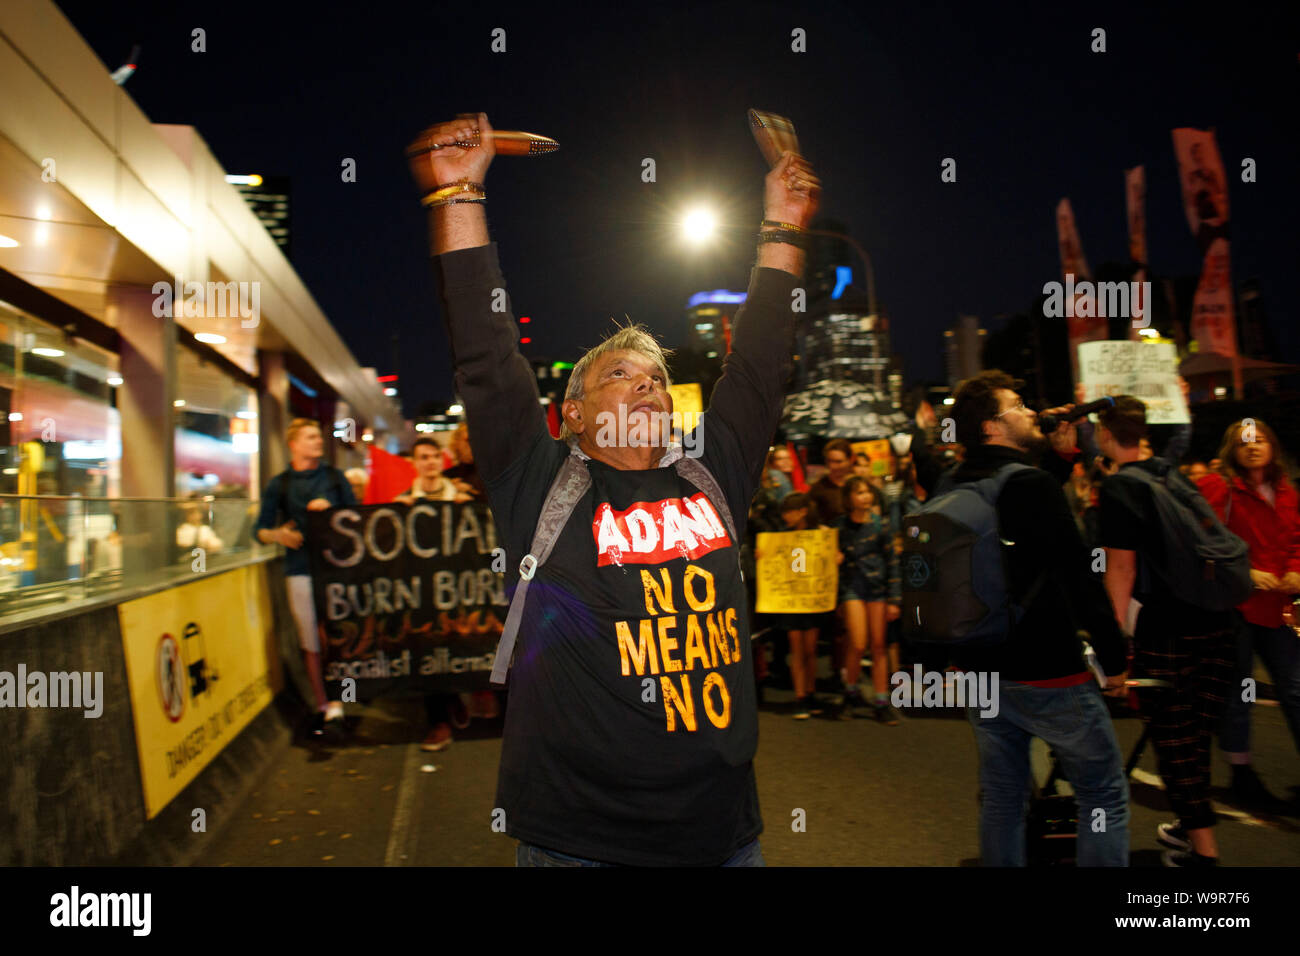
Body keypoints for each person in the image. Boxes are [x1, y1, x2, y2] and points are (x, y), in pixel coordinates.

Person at [414, 110, 819, 866]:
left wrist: (784, 223)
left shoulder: (714, 472)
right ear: (571, 415)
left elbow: (762, 361)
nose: (648, 386)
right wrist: (456, 198)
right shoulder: (540, 484)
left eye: (658, 378)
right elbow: (484, 351)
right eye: (620, 376)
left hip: (723, 834)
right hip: (582, 841)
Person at [948, 371, 1130, 867]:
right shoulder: (1028, 485)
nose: (1031, 411)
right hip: (1048, 669)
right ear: (992, 426)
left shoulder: (955, 483)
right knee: (1102, 791)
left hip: (980, 670)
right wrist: (1115, 659)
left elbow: (1014, 513)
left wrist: (1056, 455)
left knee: (1004, 798)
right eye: (1018, 405)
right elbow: (1078, 576)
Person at [1096, 396, 1234, 866]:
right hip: (1218, 620)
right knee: (1195, 739)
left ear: (1105, 435)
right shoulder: (1170, 472)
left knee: (1173, 743)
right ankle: (1187, 826)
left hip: (1168, 628)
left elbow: (1120, 569)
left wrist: (1111, 641)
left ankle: (1205, 854)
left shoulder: (1118, 489)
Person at [1197, 418, 1300, 809]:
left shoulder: (1287, 490)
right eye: (1244, 442)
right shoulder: (1218, 487)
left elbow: (1297, 538)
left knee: (1295, 690)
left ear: (1272, 446)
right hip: (1235, 609)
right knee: (1239, 695)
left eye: (1259, 440)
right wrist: (1246, 572)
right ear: (1232, 450)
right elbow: (1201, 540)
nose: (1253, 446)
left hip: (1280, 610)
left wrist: (1296, 568)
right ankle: (1242, 774)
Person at [255, 418, 358, 735]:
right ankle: (323, 705)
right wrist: (278, 536)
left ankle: (341, 701)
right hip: (299, 569)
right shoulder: (280, 484)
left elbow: (358, 518)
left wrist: (330, 514)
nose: (317, 441)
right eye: (310, 437)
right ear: (293, 444)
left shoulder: (334, 477)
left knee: (335, 634)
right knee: (310, 640)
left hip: (334, 568)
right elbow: (259, 529)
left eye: (318, 437)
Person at [834, 477, 901, 723]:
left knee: (879, 645)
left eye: (867, 492)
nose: (865, 496)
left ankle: (882, 701)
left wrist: (895, 599)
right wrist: (834, 559)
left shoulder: (881, 525)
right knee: (858, 642)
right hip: (852, 588)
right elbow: (826, 558)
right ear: (849, 498)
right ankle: (850, 692)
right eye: (859, 492)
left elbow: (893, 562)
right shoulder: (839, 527)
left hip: (878, 589)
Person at [771, 492, 830, 720]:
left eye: (790, 512)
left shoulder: (820, 534)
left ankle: (811, 691)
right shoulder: (782, 536)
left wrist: (835, 556)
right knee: (797, 648)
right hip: (791, 599)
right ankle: (800, 696)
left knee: (810, 649)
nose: (786, 516)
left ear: (803, 511)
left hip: (811, 597)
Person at [395, 436, 464, 503]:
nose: (432, 462)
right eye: (424, 457)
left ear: (442, 460)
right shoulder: (405, 500)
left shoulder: (460, 497)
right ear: (414, 463)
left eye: (436, 456)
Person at [810, 438, 853, 523]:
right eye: (829, 461)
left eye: (838, 462)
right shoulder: (818, 488)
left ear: (850, 460)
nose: (832, 466)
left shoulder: (858, 484)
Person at [445, 422, 486, 500]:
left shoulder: (489, 474)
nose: (474, 444)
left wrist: (472, 492)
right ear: (456, 443)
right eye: (468, 440)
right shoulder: (448, 476)